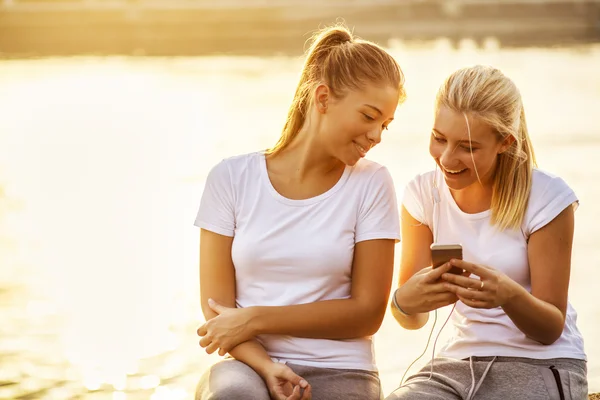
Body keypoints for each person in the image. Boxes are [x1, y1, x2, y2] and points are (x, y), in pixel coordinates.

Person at [193, 25, 406, 400]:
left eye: (385, 125)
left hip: (343, 369)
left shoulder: (373, 183)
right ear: (323, 98)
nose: (377, 136)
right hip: (249, 367)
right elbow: (218, 313)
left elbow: (368, 312)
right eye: (369, 116)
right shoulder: (230, 178)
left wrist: (257, 317)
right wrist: (267, 366)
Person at [386, 65, 587, 400]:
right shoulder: (422, 194)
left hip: (541, 363)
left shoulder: (548, 197)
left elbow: (550, 329)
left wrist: (508, 295)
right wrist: (403, 301)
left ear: (505, 142)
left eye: (467, 147)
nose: (447, 158)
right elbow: (413, 319)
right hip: (457, 365)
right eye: (439, 139)